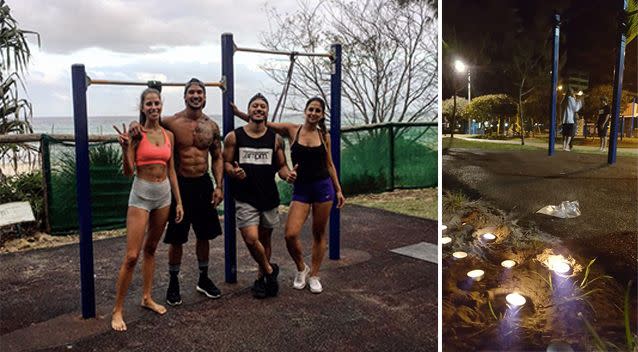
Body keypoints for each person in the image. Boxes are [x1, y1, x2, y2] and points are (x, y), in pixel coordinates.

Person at [232, 96, 345, 294]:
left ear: (322, 115)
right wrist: (240, 113)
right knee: (290, 234)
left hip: (322, 188)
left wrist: (338, 189)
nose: (313, 113)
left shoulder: (324, 135)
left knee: (319, 233)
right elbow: (264, 121)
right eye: (310, 109)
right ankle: (302, 268)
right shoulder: (293, 130)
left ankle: (315, 275)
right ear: (305, 111)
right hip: (301, 188)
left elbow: (329, 164)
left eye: (317, 111)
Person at [130, 78, 224, 306]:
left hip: (203, 184)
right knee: (177, 238)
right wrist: (134, 122)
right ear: (184, 96)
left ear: (205, 97)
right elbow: (148, 121)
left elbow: (218, 157)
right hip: (180, 186)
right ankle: (174, 281)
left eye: (199, 93)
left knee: (204, 235)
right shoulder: (172, 122)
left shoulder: (212, 126)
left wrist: (219, 185)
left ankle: (203, 278)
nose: (195, 96)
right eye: (191, 92)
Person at [111, 88, 183, 331]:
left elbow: (171, 169)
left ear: (161, 105)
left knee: (151, 249)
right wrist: (125, 148)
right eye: (149, 104)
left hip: (163, 195)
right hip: (141, 195)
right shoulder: (136, 134)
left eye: (157, 103)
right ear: (142, 108)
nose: (154, 107)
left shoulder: (168, 135)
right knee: (132, 256)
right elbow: (128, 171)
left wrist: (179, 201)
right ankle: (118, 310)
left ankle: (147, 297)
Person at [223, 93, 294, 299]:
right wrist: (232, 172)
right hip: (245, 197)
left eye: (263, 106)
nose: (259, 109)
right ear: (249, 109)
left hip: (269, 197)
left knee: (265, 239)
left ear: (267, 111)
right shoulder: (234, 137)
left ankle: (261, 278)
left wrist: (288, 175)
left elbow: (281, 166)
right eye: (255, 106)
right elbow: (226, 162)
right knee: (251, 238)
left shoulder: (275, 139)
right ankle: (271, 271)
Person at [561, 87, 583, 151]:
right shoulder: (571, 99)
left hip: (564, 119)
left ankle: (564, 146)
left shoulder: (564, 99)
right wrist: (579, 101)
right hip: (570, 119)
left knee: (564, 134)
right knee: (569, 134)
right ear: (571, 93)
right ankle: (567, 146)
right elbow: (576, 108)